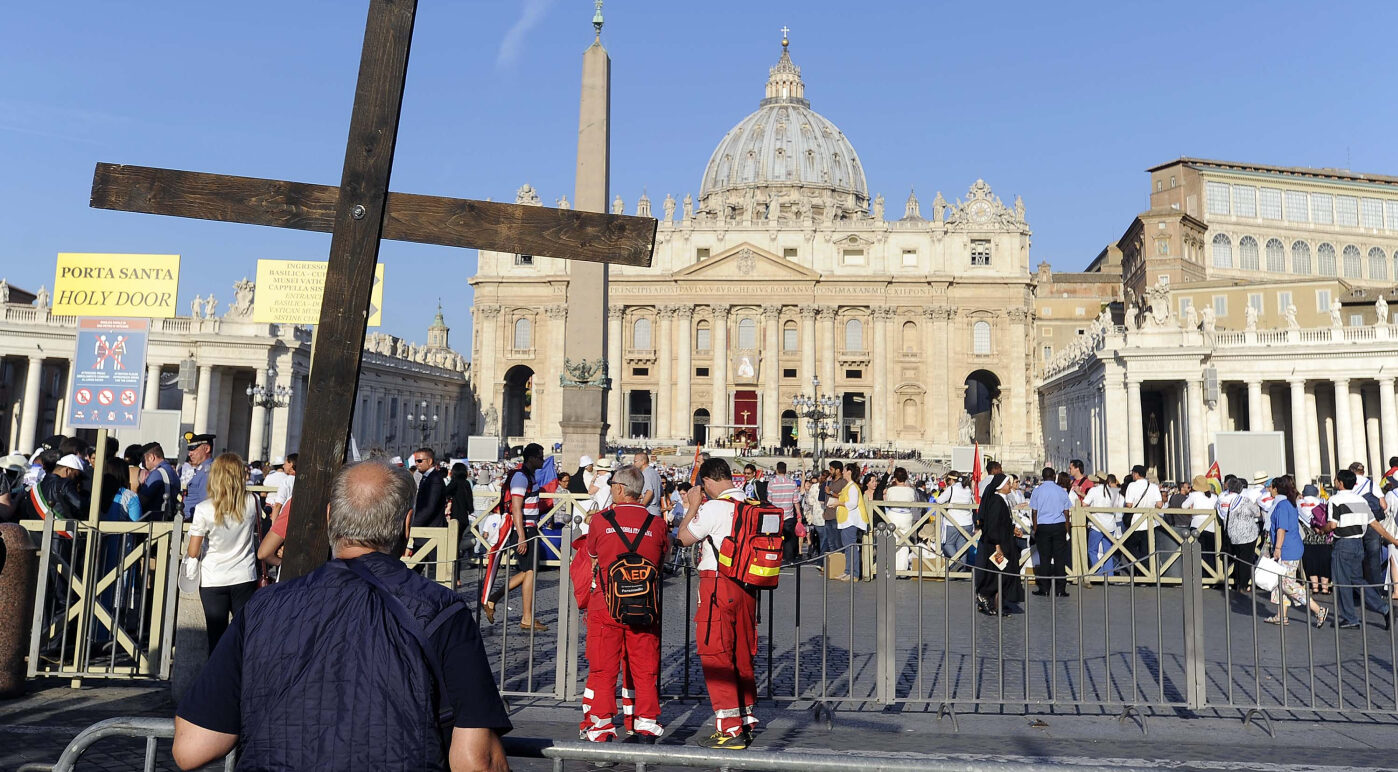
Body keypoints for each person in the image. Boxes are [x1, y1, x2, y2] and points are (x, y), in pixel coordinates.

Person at [173, 459, 511, 771]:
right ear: (407, 525)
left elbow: (192, 748)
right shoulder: (442, 609)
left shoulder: (264, 607)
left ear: (331, 517)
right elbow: (475, 760)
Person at [581, 465, 669, 744]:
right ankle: (645, 725)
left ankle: (602, 728)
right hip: (645, 604)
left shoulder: (600, 521)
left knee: (603, 668)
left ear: (619, 488)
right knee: (645, 668)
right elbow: (661, 559)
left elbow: (592, 552)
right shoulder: (657, 524)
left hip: (607, 603)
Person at [677, 457, 759, 749]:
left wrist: (692, 507)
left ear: (708, 482)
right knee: (741, 651)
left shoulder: (713, 507)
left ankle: (730, 728)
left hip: (717, 584)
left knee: (716, 653)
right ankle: (746, 716)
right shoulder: (751, 505)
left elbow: (684, 538)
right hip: (748, 587)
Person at [183, 453, 260, 653]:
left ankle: (217, 682)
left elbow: (193, 551)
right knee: (245, 635)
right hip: (244, 574)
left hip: (213, 578)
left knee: (216, 638)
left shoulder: (204, 509)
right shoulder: (252, 501)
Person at [1321, 469, 1397, 630]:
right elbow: (1375, 524)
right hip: (1358, 545)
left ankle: (1350, 618)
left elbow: (1333, 525)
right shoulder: (1361, 501)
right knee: (1357, 581)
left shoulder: (1335, 500)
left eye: (1335, 479)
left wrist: (1323, 529)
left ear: (1340, 483)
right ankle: (1384, 608)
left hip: (1343, 544)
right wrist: (1393, 540)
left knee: (1342, 582)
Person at [484, 443, 547, 630]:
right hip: (523, 530)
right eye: (541, 457)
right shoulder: (520, 477)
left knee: (529, 571)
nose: (543, 460)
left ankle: (494, 599)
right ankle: (526, 617)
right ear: (532, 458)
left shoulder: (528, 475)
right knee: (530, 572)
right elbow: (516, 509)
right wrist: (521, 536)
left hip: (529, 529)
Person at [1264, 475, 1330, 627]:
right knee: (1281, 582)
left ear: (1276, 488)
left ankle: (1317, 609)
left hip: (1287, 548)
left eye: (1272, 488)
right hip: (1293, 546)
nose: (1270, 491)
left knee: (1287, 583)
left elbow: (1281, 529)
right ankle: (1282, 615)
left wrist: (1278, 548)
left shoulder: (1281, 505)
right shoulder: (1290, 503)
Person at [974, 474, 1023, 615]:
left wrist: (1012, 529)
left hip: (1005, 542)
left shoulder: (1003, 500)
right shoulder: (996, 501)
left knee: (1004, 574)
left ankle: (998, 604)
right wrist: (997, 545)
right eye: (1008, 483)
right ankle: (984, 595)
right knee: (998, 574)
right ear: (1000, 486)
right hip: (997, 544)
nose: (1010, 485)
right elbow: (993, 524)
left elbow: (1002, 521)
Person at [1029, 467, 1071, 597]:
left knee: (1045, 559)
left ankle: (1045, 588)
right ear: (1054, 476)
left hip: (1043, 526)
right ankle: (1060, 589)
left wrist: (1035, 529)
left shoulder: (1037, 491)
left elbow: (1034, 512)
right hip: (1059, 526)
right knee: (1060, 559)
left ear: (1043, 476)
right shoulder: (1061, 491)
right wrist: (1067, 529)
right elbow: (1066, 512)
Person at [834, 463, 870, 581]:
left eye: (844, 470)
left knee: (851, 547)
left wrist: (838, 503)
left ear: (849, 472)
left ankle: (854, 573)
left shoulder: (853, 487)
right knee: (847, 547)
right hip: (846, 521)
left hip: (851, 521)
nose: (842, 472)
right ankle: (848, 571)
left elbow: (852, 504)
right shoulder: (848, 486)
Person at [1122, 465, 1162, 572]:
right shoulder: (1153, 486)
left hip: (1136, 522)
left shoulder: (1132, 486)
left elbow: (1129, 505)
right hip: (1150, 522)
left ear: (1136, 474)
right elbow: (1159, 504)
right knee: (1146, 549)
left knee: (1127, 546)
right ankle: (1146, 573)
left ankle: (1142, 567)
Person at [1080, 471, 1118, 576]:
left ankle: (1098, 573)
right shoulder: (1113, 491)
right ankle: (1109, 575)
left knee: (1092, 550)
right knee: (1108, 552)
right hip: (1110, 524)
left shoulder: (1094, 490)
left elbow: (1084, 504)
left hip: (1096, 524)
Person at [936, 471, 976, 569]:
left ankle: (958, 562)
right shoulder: (968, 490)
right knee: (962, 548)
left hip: (953, 522)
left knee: (947, 544)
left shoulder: (952, 489)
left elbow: (939, 500)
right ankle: (961, 572)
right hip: (967, 522)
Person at [882, 466, 918, 572]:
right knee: (905, 543)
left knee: (892, 541)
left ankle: (893, 567)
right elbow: (912, 501)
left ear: (895, 478)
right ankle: (902, 569)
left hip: (893, 515)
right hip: (906, 516)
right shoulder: (910, 490)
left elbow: (888, 501)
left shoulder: (891, 490)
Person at [1299, 484, 1332, 597]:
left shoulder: (1298, 504)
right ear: (1316, 493)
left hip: (1307, 539)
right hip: (1324, 537)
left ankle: (1314, 587)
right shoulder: (1323, 501)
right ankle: (1325, 587)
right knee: (1325, 562)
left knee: (1311, 562)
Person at [766, 461, 801, 562]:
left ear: (776, 470)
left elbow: (769, 500)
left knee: (775, 538)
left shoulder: (771, 483)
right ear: (786, 470)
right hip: (788, 515)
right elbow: (796, 501)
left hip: (775, 515)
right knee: (789, 539)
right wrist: (799, 514)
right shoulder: (792, 483)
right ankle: (788, 559)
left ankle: (775, 557)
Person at [138, 442, 180, 520]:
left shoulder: (157, 473)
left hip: (155, 521)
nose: (143, 465)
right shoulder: (171, 471)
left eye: (143, 461)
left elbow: (142, 500)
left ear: (151, 457)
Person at [1183, 474, 1219, 562]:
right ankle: (1212, 574)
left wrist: (1190, 512)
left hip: (1197, 527)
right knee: (1211, 553)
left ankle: (1201, 574)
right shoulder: (1214, 497)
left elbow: (1183, 506)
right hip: (1212, 527)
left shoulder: (1194, 495)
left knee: (1198, 553)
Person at [181, 434, 216, 520]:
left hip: (196, 522)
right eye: (189, 450)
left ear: (207, 449)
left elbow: (207, 503)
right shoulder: (201, 470)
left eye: (193, 449)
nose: (190, 454)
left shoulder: (207, 472)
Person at [412, 448, 447, 529]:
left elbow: (429, 507)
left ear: (430, 461)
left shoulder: (435, 479)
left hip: (431, 529)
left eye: (419, 461)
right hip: (425, 527)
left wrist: (413, 525)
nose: (417, 464)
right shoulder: (426, 478)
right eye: (415, 461)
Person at [634, 451, 664, 521]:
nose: (634, 464)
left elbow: (649, 492)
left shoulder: (646, 474)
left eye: (635, 461)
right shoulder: (655, 473)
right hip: (656, 511)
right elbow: (661, 493)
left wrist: (640, 508)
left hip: (649, 511)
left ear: (643, 462)